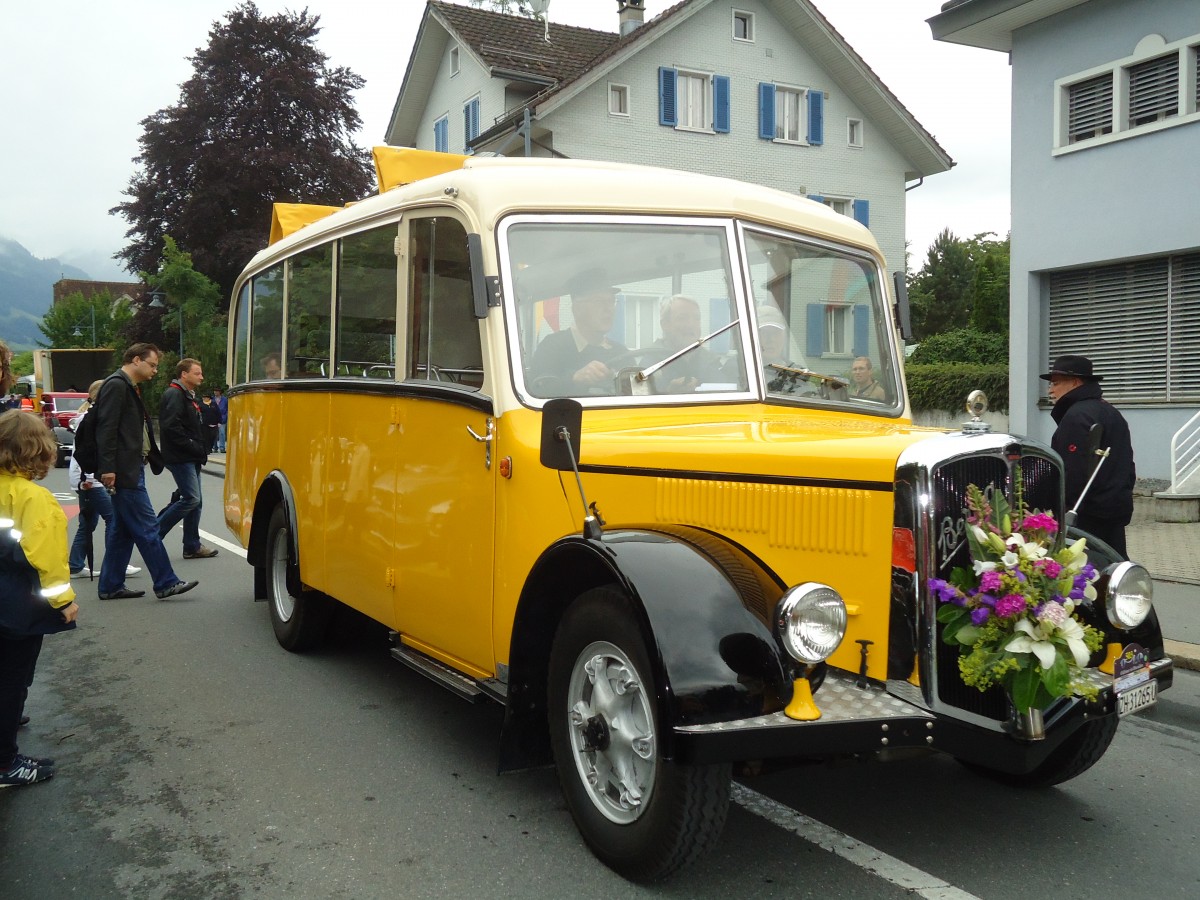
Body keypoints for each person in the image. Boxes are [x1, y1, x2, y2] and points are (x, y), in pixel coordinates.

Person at [0, 409, 79, 787]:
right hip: (14, 603)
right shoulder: (33, 498)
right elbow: (45, 557)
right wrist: (63, 601)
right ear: (40, 452)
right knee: (12, 680)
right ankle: (5, 763)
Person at [93, 343, 199, 601]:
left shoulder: (126, 386)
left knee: (122, 531)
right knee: (147, 527)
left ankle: (110, 585)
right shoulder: (117, 385)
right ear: (136, 360)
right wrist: (108, 468)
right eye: (152, 365)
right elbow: (106, 428)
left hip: (128, 468)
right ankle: (165, 582)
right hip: (124, 470)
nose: (154, 371)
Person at [1041, 354, 1135, 556]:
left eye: (1056, 383)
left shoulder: (1077, 416)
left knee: (1086, 572)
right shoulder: (1110, 411)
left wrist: (1060, 510)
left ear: (1075, 382)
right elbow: (1128, 465)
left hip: (1086, 515)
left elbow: (1072, 472)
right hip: (1113, 508)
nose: (1050, 389)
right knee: (1113, 564)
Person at [67, 380, 142, 580]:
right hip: (91, 478)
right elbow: (91, 451)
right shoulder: (93, 418)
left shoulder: (86, 417)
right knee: (113, 519)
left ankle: (75, 565)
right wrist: (90, 477)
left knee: (88, 523)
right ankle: (116, 563)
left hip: (84, 477)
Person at [529, 268, 628, 396]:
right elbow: (537, 390)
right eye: (599, 301)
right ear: (577, 308)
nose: (608, 308)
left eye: (611, 301)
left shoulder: (621, 352)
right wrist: (575, 379)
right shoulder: (552, 347)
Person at [156, 358, 218, 560]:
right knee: (191, 498)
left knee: (195, 501)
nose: (201, 377)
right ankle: (153, 536)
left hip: (190, 456)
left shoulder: (187, 395)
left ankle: (191, 545)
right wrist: (192, 446)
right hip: (181, 456)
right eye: (197, 373)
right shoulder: (174, 394)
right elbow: (170, 426)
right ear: (184, 374)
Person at [649, 295, 724, 392]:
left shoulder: (711, 363)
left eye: (696, 318)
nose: (691, 324)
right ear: (665, 325)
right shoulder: (650, 364)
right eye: (682, 318)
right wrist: (668, 394)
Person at [213, 386, 228, 453]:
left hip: (222, 418)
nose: (215, 392)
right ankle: (214, 447)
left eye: (217, 391)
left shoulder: (225, 399)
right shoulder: (212, 399)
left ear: (220, 392)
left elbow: (228, 408)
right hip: (213, 418)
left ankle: (222, 447)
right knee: (214, 433)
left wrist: (226, 416)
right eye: (215, 391)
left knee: (222, 433)